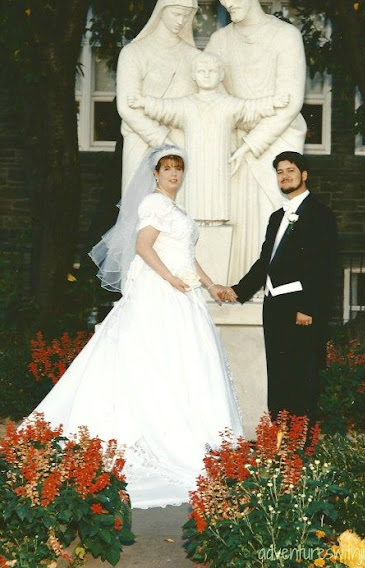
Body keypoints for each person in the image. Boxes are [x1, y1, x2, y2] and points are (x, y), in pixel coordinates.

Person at [28, 144, 243, 509]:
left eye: (178, 168)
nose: (173, 174)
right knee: (155, 361)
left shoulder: (176, 209)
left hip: (183, 292)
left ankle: (191, 432)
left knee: (186, 363)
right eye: (167, 168)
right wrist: (170, 279)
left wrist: (210, 285)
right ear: (155, 174)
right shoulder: (154, 204)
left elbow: (187, 257)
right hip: (161, 292)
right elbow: (144, 247)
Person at [206, 0, 307, 282]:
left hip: (275, 142)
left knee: (272, 215)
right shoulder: (219, 41)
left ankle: (272, 289)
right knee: (235, 217)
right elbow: (211, 98)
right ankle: (234, 287)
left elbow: (289, 103)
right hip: (233, 143)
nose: (228, 3)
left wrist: (251, 144)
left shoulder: (286, 36)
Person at [222, 151, 337, 422]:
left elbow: (325, 266)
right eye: (280, 172)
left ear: (304, 175)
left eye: (290, 170)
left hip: (300, 310)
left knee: (302, 378)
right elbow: (266, 262)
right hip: (274, 307)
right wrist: (238, 290)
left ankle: (300, 442)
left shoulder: (320, 214)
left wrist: (308, 308)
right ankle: (278, 440)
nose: (284, 176)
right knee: (278, 376)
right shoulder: (277, 217)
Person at [127, 51, 290, 223]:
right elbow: (164, 108)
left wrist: (273, 102)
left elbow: (251, 108)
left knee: (218, 206)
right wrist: (143, 102)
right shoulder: (186, 104)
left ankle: (217, 222)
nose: (206, 75)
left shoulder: (229, 104)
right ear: (193, 75)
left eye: (212, 71)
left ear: (221, 75)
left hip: (219, 165)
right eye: (201, 71)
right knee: (193, 207)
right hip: (194, 165)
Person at [116, 0, 199, 194]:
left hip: (181, 143)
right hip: (141, 142)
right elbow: (126, 107)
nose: (181, 21)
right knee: (142, 205)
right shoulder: (134, 52)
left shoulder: (195, 57)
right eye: (176, 13)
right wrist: (162, 141)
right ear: (162, 10)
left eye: (186, 15)